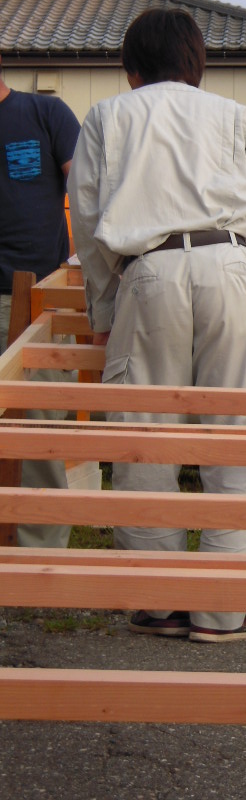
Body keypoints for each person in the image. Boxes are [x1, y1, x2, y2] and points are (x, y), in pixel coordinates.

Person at [68, 8, 246, 643]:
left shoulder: (107, 116)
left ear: (131, 69)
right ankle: (222, 611)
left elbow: (87, 219)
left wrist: (106, 311)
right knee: (235, 439)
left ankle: (158, 602)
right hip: (231, 266)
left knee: (145, 438)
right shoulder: (238, 117)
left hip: (148, 270)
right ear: (198, 62)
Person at [0, 56, 81, 549]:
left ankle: (39, 555)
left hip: (39, 299)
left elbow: (89, 193)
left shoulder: (45, 114)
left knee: (42, 430)